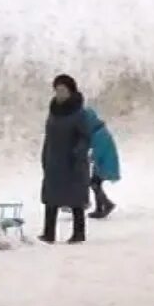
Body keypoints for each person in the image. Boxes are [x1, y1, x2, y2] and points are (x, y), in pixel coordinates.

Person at [40, 74, 92, 244]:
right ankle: (48, 233)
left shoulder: (79, 113)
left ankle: (78, 233)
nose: (59, 94)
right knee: (51, 198)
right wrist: (45, 155)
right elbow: (49, 135)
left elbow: (85, 137)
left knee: (76, 198)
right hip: (54, 160)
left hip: (72, 161)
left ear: (71, 91)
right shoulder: (54, 111)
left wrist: (78, 153)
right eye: (57, 90)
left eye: (63, 90)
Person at [81, 105, 121, 219]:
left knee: (95, 184)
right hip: (102, 163)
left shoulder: (99, 134)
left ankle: (107, 204)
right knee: (96, 184)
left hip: (105, 163)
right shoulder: (98, 132)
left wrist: (91, 158)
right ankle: (100, 208)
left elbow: (99, 150)